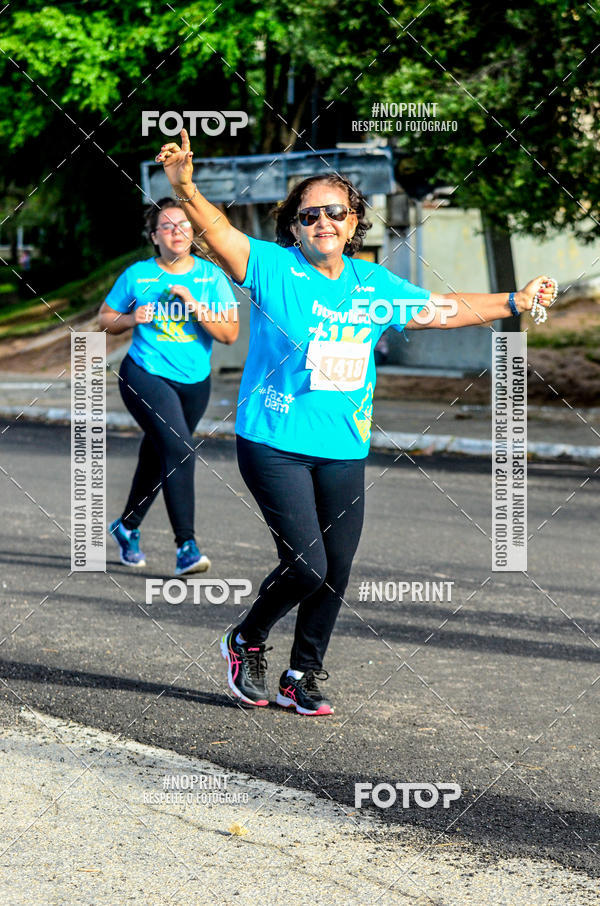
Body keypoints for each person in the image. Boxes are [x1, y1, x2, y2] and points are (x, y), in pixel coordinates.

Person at [155, 129, 553, 715]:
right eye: (310, 214)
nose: (323, 222)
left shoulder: (372, 285)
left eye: (334, 213)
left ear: (352, 221)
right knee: (307, 564)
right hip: (273, 440)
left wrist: (514, 302)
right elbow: (218, 232)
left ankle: (303, 673)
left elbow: (439, 311)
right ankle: (245, 638)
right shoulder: (270, 267)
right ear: (294, 224)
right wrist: (185, 187)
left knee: (336, 567)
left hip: (343, 444)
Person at [99, 197, 239, 575]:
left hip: (195, 381)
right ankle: (187, 547)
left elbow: (229, 334)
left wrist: (195, 305)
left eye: (184, 225)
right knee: (180, 450)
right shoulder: (137, 275)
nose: (177, 232)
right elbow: (104, 319)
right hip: (144, 372)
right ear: (154, 236)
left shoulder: (211, 278)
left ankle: (126, 527)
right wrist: (130, 319)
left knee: (160, 452)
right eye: (168, 226)